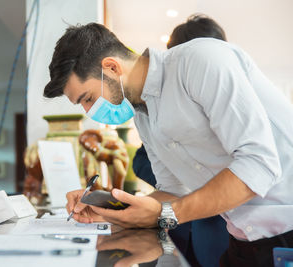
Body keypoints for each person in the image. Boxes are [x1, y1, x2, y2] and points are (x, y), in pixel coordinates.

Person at [43, 16, 293, 266]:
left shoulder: (200, 61)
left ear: (111, 68)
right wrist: (109, 207)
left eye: (88, 98)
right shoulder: (143, 116)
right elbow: (174, 190)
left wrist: (168, 214)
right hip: (246, 240)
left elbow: (259, 164)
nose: (89, 111)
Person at [132, 14, 229, 267]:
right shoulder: (154, 112)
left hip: (228, 225)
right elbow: (143, 161)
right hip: (192, 226)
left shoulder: (228, 100)